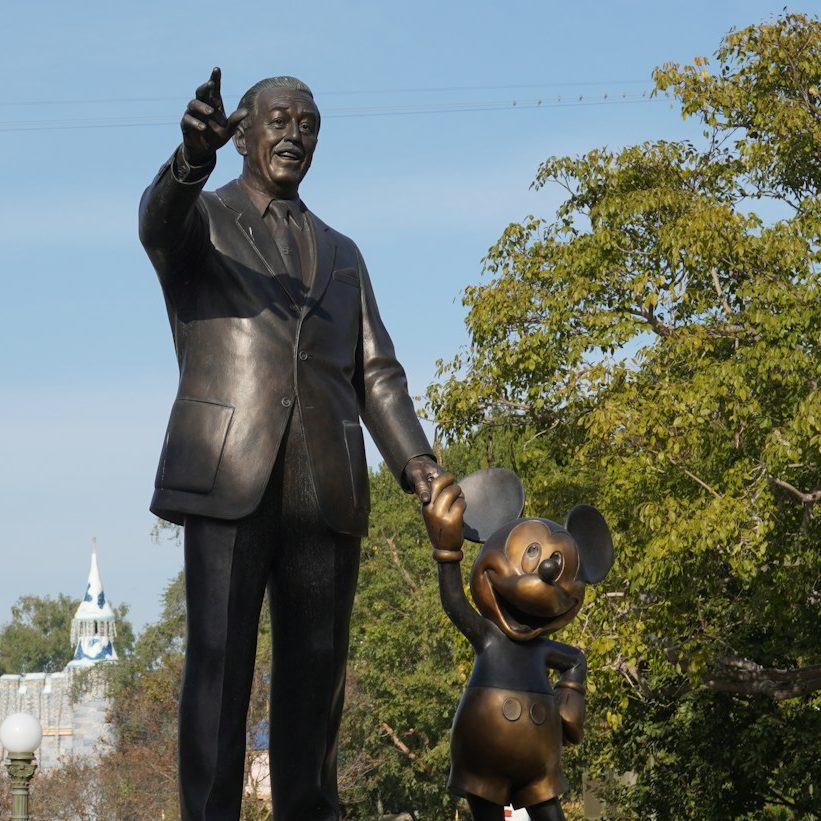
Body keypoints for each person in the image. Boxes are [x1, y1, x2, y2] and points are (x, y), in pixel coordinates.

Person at [139, 67, 441, 821]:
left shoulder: (342, 253)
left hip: (325, 486)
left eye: (308, 125)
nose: (293, 136)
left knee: (317, 673)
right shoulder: (204, 222)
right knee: (218, 669)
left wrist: (419, 463)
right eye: (278, 121)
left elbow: (376, 372)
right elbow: (157, 223)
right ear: (242, 134)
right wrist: (190, 159)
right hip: (227, 471)